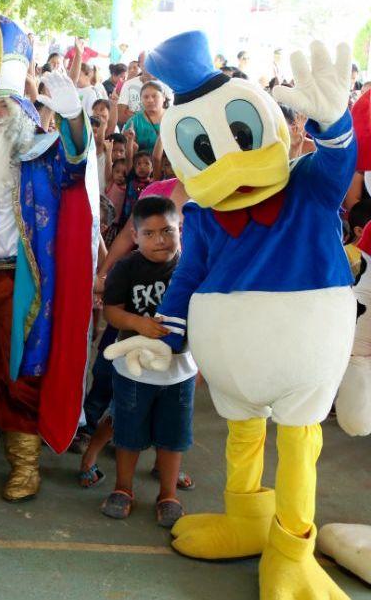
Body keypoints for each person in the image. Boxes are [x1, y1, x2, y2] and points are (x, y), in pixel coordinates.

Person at [107, 33, 355, 597]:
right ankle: (245, 518)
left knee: (298, 443)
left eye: (241, 134)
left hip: (301, 350)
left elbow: (341, 161)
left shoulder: (308, 187)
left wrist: (335, 122)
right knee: (242, 435)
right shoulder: (207, 217)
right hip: (233, 364)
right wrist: (165, 334)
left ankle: (292, 549)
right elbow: (190, 275)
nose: (232, 164)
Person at [0, 8, 95, 502]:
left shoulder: (41, 153)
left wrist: (74, 117)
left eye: (2, 106)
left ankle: (24, 462)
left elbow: (76, 166)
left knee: (22, 367)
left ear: (19, 107)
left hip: (24, 280)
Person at [95, 196, 197, 528]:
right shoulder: (126, 267)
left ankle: (168, 494)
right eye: (150, 233)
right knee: (128, 433)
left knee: (173, 436)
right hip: (132, 369)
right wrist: (139, 323)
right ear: (135, 237)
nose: (160, 240)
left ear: (180, 229)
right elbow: (111, 311)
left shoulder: (191, 266)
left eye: (167, 231)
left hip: (180, 371)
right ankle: (123, 488)